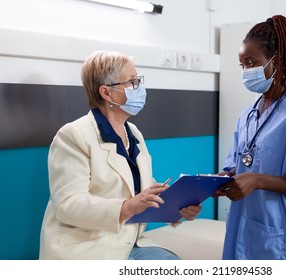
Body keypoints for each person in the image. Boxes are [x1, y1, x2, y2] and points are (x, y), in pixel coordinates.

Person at [39, 50, 201, 260]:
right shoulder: (73, 135)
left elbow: (139, 188)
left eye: (138, 81)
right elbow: (68, 205)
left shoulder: (132, 132)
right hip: (88, 247)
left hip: (129, 243)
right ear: (106, 93)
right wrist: (127, 207)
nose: (139, 88)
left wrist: (175, 207)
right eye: (132, 82)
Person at [215, 15, 286, 260]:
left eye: (251, 62)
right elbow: (239, 165)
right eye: (242, 64)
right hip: (244, 225)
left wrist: (256, 180)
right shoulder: (248, 115)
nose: (245, 71)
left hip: (283, 235)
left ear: (276, 61)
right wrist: (220, 181)